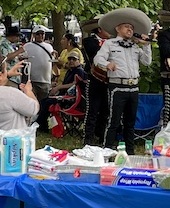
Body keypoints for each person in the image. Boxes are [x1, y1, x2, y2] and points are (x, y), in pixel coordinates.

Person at [94, 8, 152, 155]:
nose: (130, 30)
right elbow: (98, 59)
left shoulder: (135, 46)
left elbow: (147, 62)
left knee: (130, 122)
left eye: (132, 28)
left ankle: (130, 153)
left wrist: (146, 45)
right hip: (117, 87)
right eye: (127, 27)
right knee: (113, 121)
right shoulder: (110, 44)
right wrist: (107, 64)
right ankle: (107, 150)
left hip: (133, 87)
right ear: (117, 28)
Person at [35, 51, 87, 132]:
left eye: (74, 59)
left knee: (47, 102)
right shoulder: (70, 71)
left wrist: (59, 87)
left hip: (72, 99)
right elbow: (65, 84)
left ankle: (39, 125)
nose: (71, 61)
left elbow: (74, 84)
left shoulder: (79, 70)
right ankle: (42, 124)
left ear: (79, 61)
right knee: (43, 101)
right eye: (69, 59)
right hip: (63, 96)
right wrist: (56, 85)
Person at [81, 17, 111, 145]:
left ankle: (102, 135)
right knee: (92, 109)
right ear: (99, 29)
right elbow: (97, 54)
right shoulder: (89, 41)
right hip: (94, 78)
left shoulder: (112, 43)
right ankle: (88, 136)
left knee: (106, 109)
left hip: (108, 79)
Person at [23, 26, 54, 103]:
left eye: (42, 34)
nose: (40, 36)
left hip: (45, 80)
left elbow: (52, 60)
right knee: (31, 102)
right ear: (33, 35)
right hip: (31, 80)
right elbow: (22, 58)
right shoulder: (27, 46)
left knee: (43, 102)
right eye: (38, 34)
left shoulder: (49, 47)